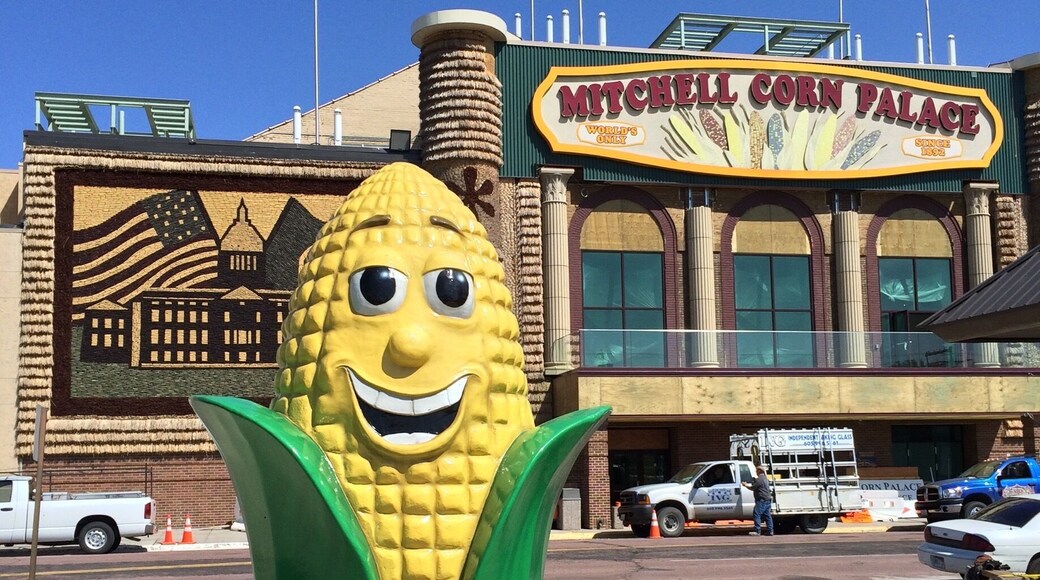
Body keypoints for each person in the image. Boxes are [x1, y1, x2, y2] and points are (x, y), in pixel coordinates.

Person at [743, 465, 773, 536]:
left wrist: (745, 485)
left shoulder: (759, 479)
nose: (756, 472)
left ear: (760, 471)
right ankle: (770, 530)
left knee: (756, 514)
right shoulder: (765, 479)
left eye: (757, 471)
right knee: (767, 515)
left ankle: (757, 531)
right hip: (767, 499)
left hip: (761, 500)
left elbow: (752, 488)